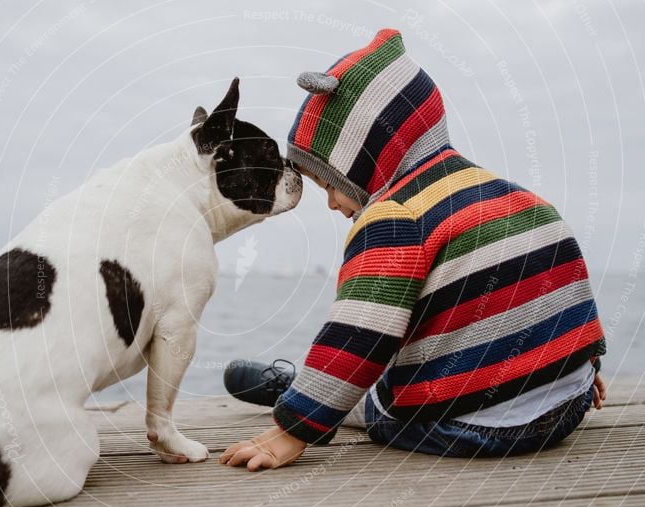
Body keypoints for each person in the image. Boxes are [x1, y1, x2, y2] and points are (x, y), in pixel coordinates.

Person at [219, 29, 607, 471]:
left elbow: (359, 335)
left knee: (383, 400)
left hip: (475, 427)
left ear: (361, 156)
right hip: (568, 407)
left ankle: (296, 393)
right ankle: (311, 389)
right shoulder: (521, 200)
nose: (331, 203)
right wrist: (584, 361)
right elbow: (564, 287)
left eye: (330, 183)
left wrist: (291, 432)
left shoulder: (395, 216)